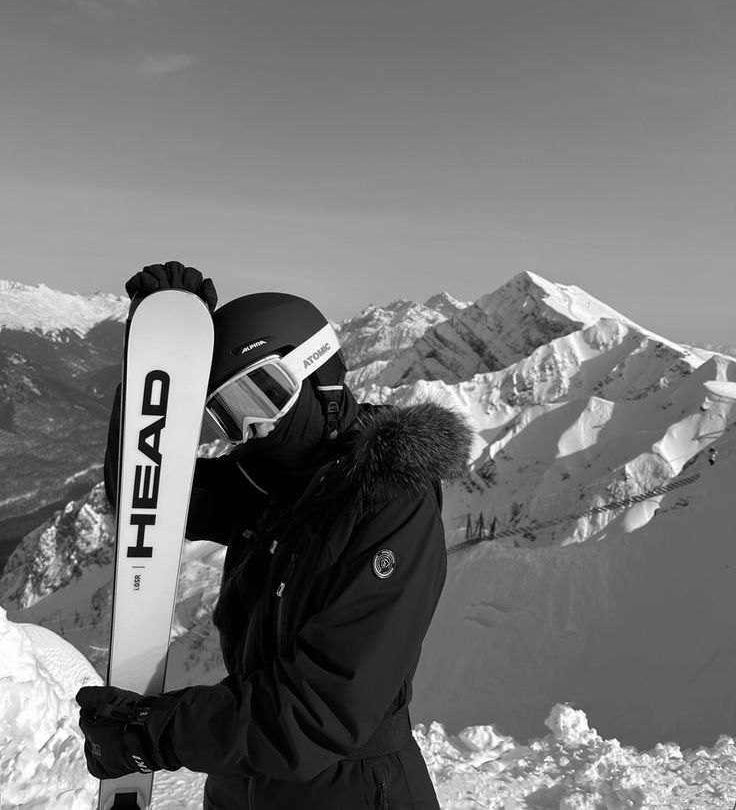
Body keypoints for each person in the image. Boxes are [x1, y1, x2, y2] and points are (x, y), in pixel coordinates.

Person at [77, 262, 472, 810]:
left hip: (354, 792)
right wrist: (152, 377)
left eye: (260, 398)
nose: (249, 430)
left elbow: (322, 709)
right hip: (242, 780)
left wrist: (155, 733)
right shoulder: (269, 477)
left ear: (319, 373)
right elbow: (149, 498)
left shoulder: (389, 501)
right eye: (226, 416)